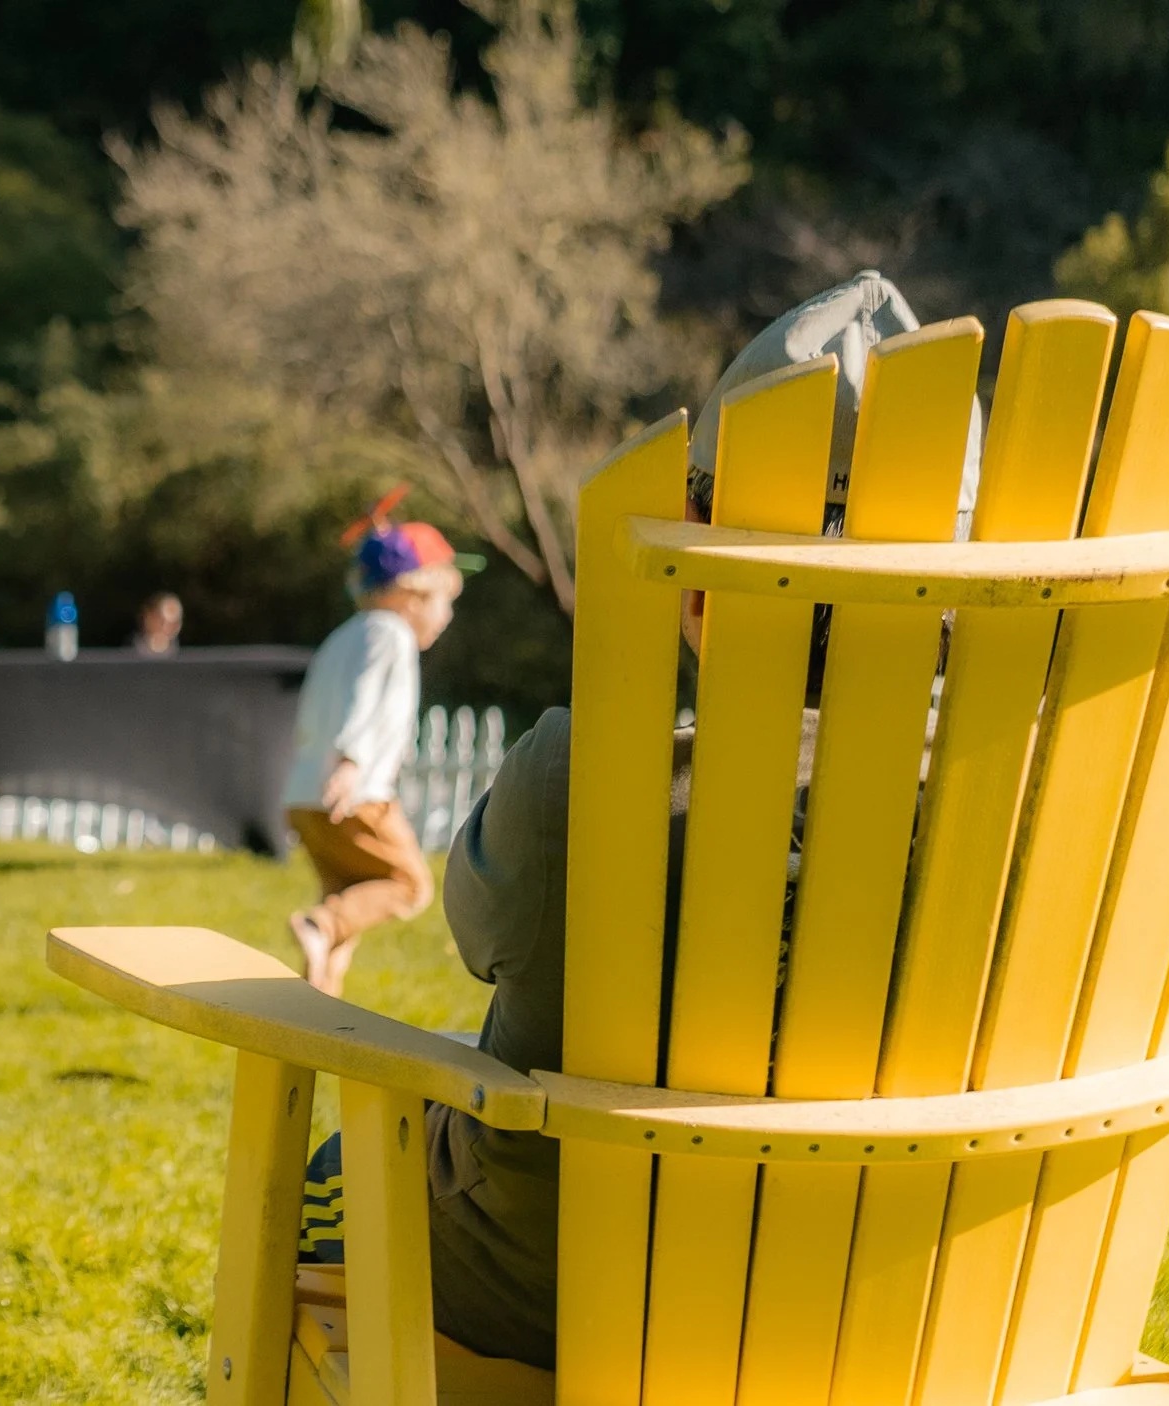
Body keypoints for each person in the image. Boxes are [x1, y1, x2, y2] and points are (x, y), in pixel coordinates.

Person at [295, 271, 979, 1370]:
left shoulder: (579, 783)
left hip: (558, 1283)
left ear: (697, 558)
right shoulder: (1072, 793)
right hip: (928, 1285)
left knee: (332, 1171)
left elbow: (477, 938)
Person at [283, 492, 463, 997]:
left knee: (347, 896)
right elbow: (361, 703)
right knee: (410, 885)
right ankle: (319, 927)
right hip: (355, 791)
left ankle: (317, 995)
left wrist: (301, 784)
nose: (446, 618)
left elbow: (311, 711)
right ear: (413, 593)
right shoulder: (391, 634)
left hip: (306, 796)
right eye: (444, 602)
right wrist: (351, 761)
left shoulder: (343, 635)